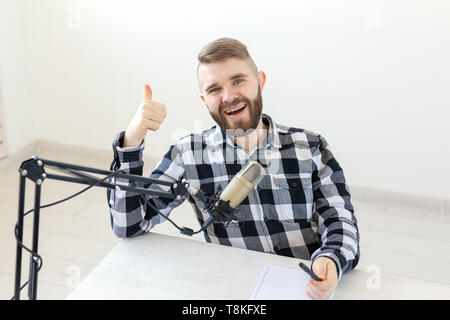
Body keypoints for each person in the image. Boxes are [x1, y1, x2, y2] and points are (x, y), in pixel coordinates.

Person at [107, 38, 360, 300]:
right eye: (215, 89)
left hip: (305, 288)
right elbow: (128, 226)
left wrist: (331, 258)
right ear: (204, 99)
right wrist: (132, 140)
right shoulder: (188, 154)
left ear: (260, 80)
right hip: (234, 291)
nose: (229, 97)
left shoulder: (310, 147)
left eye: (238, 81)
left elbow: (340, 220)